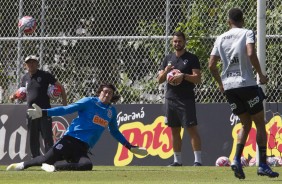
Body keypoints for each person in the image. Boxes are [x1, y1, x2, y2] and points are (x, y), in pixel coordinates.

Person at [7, 83, 147, 172]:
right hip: (70, 140)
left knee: (87, 165)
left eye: (110, 93)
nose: (107, 94)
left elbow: (115, 131)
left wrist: (130, 147)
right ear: (99, 92)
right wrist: (43, 112)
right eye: (104, 91)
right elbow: (67, 109)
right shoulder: (89, 102)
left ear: (112, 96)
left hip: (83, 148)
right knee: (45, 159)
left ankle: (55, 167)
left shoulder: (111, 111)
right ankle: (22, 165)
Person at [208, 8, 279, 179]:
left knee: (245, 124)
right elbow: (250, 53)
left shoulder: (220, 38)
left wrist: (220, 83)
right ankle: (262, 165)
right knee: (260, 124)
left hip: (230, 88)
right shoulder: (247, 32)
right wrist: (261, 75)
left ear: (228, 21)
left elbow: (211, 65)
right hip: (246, 84)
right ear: (243, 19)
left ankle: (236, 160)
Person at [157, 31, 202, 166]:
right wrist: (166, 71)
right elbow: (159, 80)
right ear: (172, 42)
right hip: (170, 99)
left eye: (180, 41)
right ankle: (177, 161)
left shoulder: (192, 58)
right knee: (174, 130)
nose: (177, 44)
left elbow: (198, 79)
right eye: (175, 41)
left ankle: (198, 161)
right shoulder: (167, 59)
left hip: (186, 99)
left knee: (191, 129)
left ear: (184, 42)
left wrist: (183, 76)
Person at [9, 55, 67, 158]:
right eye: (29, 62)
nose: (31, 64)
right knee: (33, 137)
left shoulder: (45, 75)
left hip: (44, 111)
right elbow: (21, 93)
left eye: (33, 62)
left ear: (37, 64)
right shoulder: (24, 78)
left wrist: (64, 103)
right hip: (31, 112)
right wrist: (13, 96)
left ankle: (50, 157)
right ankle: (35, 158)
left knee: (47, 136)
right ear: (25, 65)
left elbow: (61, 87)